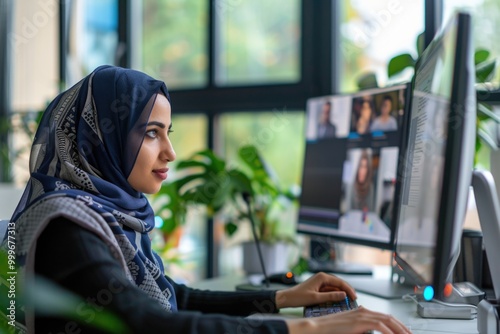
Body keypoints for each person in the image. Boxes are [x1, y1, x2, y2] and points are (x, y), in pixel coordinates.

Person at [5, 65, 410, 334]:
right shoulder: (66, 225)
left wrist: (282, 298)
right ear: (100, 140)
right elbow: (145, 321)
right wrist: (304, 328)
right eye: (150, 133)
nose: (170, 152)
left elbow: (171, 297)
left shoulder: (106, 214)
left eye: (169, 133)